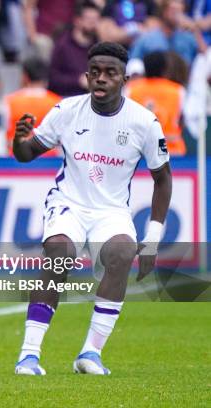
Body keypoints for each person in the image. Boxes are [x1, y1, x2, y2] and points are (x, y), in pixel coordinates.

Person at [12, 42, 172, 375]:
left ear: (124, 78)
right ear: (86, 76)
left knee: (122, 252)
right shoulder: (66, 110)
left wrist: (153, 239)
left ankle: (90, 353)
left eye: (110, 73)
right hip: (68, 201)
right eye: (95, 72)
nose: (101, 79)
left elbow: (163, 179)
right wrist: (19, 140)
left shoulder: (144, 122)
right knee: (59, 252)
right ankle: (29, 355)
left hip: (111, 210)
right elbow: (26, 154)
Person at [125, 51, 187, 155]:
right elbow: (182, 120)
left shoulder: (131, 89)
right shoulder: (178, 91)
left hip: (139, 152)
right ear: (164, 68)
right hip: (172, 152)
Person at [3, 56, 61, 157]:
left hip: (16, 162)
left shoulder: (10, 101)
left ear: (25, 76)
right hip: (49, 163)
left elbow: (5, 136)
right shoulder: (57, 102)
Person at [48, 1, 102, 97]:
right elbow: (53, 79)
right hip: (66, 97)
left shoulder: (98, 46)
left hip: (92, 97)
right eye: (89, 19)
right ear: (77, 20)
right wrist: (78, 81)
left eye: (96, 19)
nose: (93, 23)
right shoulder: (63, 45)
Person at [129, 0, 203, 66]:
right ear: (163, 10)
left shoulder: (189, 39)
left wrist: (194, 29)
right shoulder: (147, 39)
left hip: (182, 80)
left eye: (179, 4)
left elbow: (206, 60)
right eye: (171, 7)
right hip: (153, 80)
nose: (175, 7)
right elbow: (133, 65)